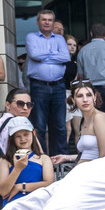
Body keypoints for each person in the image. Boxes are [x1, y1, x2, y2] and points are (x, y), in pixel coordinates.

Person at [23, 9, 70, 157]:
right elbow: (34, 55)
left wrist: (44, 56)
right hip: (39, 86)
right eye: (44, 20)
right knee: (39, 126)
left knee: (60, 126)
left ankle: (60, 159)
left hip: (58, 86)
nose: (47, 22)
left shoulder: (60, 39)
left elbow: (66, 57)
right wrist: (55, 55)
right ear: (38, 22)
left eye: (49, 20)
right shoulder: (31, 37)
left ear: (53, 22)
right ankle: (41, 157)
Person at [0, 120, 55, 203]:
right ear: (12, 138)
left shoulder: (44, 159)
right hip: (14, 204)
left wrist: (20, 187)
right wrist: (17, 169)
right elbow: (3, 191)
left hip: (38, 203)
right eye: (18, 136)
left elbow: (49, 183)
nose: (22, 139)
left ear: (33, 133)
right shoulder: (4, 160)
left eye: (26, 134)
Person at [59, 82, 105, 164]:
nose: (85, 100)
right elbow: (88, 155)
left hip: (95, 170)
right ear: (73, 100)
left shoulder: (99, 117)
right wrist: (67, 157)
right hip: (82, 168)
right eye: (80, 96)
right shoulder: (83, 121)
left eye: (88, 95)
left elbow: (104, 156)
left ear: (94, 97)